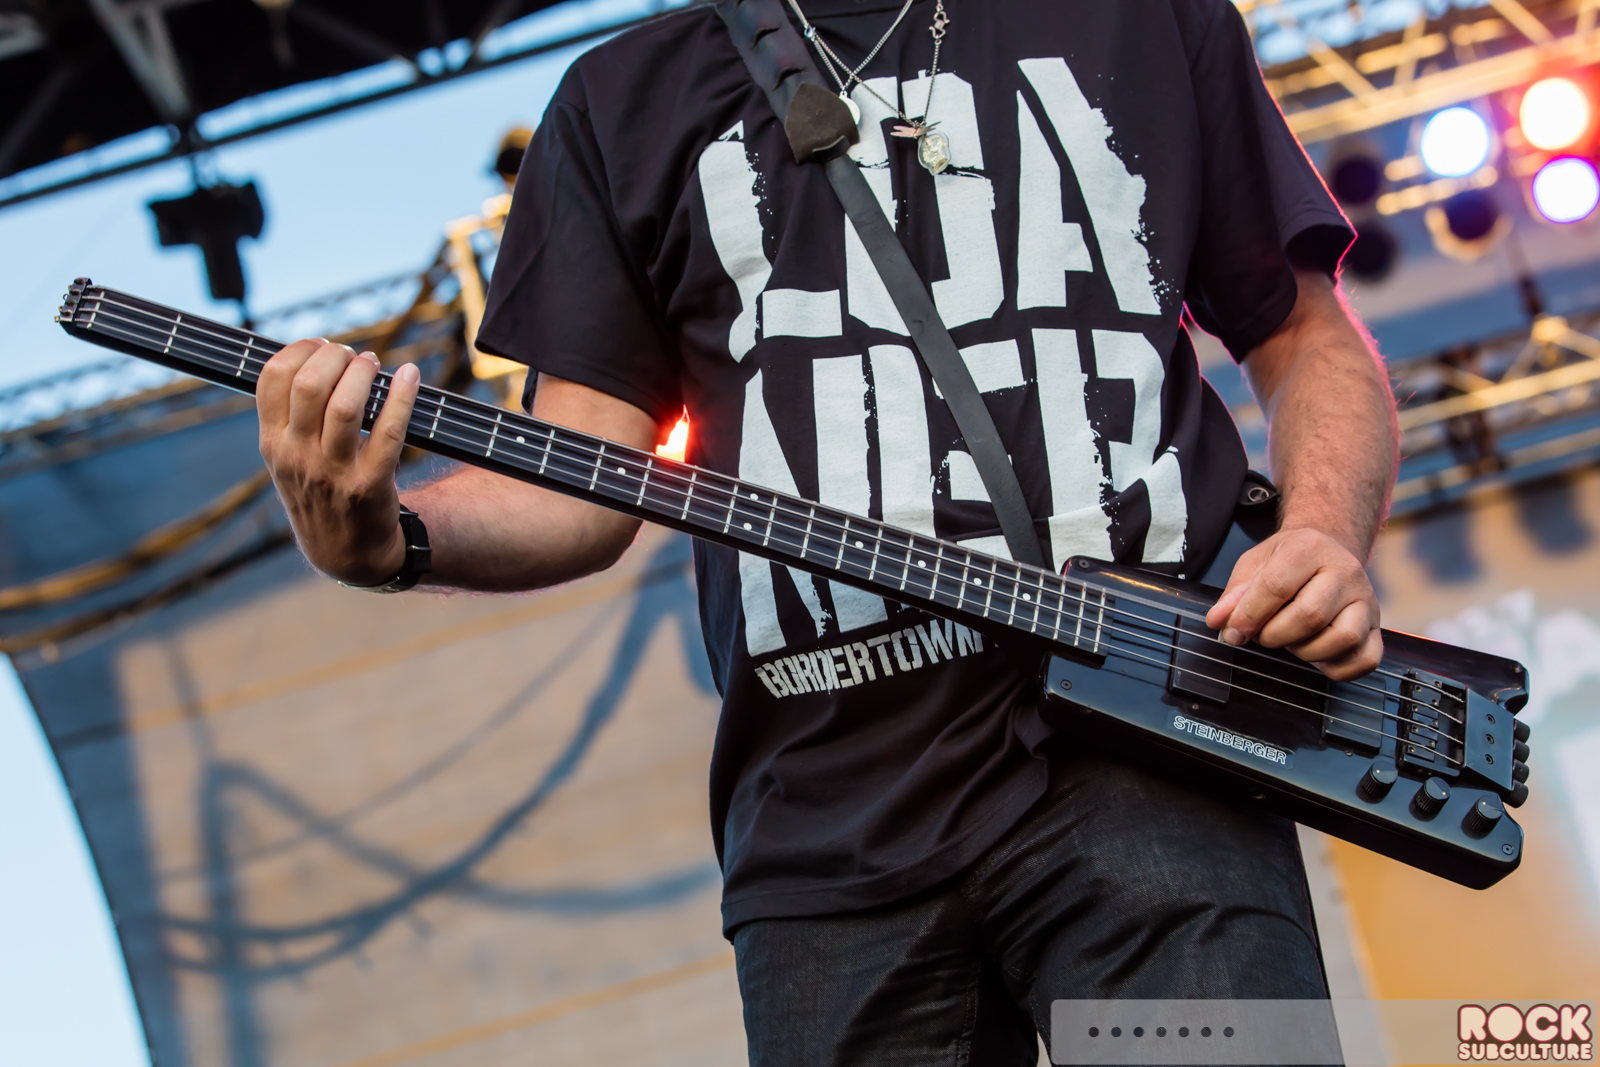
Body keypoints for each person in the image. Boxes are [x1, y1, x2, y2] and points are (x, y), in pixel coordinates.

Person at [255, 0, 1398, 1060]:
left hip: (1151, 743)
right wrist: (388, 538)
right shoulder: (622, 101)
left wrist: (1323, 534)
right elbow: (580, 480)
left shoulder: (1134, 17)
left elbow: (1304, 338)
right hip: (824, 820)